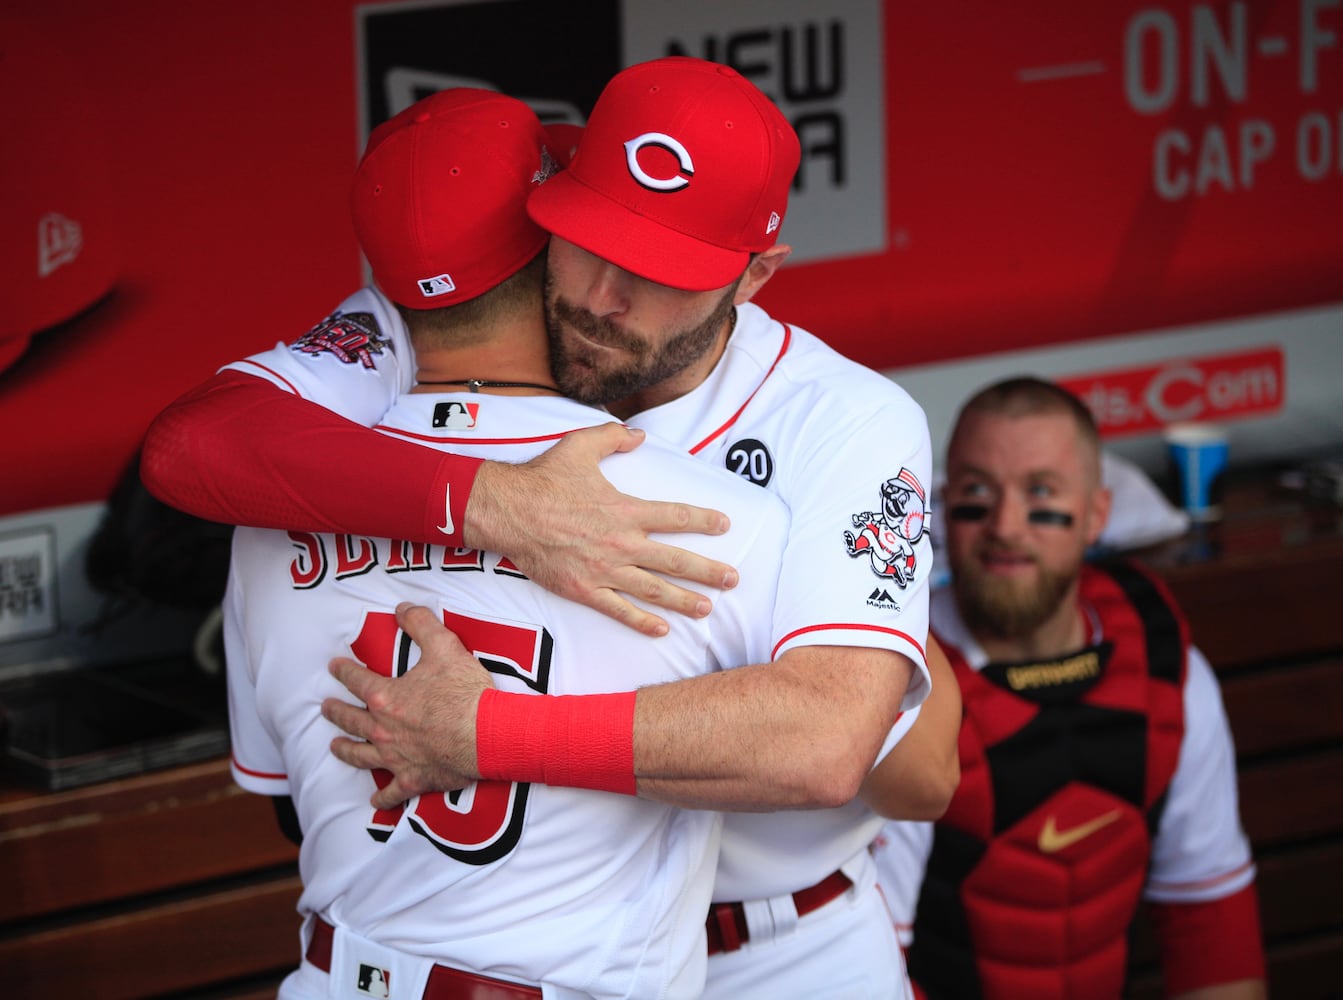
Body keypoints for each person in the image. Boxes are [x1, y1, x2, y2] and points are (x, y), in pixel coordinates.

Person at [146, 56, 951, 998]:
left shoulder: (840, 418)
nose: (605, 299)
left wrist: (495, 733)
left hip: (778, 945)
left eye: (661, 273)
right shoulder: (424, 328)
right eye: (587, 239)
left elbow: (902, 769)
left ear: (754, 277)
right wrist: (492, 502)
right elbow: (190, 447)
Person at [227, 86, 793, 999]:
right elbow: (843, 763)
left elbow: (291, 806)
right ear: (550, 245)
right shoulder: (710, 518)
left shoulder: (262, 522)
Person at [871, 376, 1267, 1000]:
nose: (1006, 525)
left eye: (1041, 494)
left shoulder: (1165, 671)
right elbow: (872, 969)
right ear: (943, 511)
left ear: (1096, 516)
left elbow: (1209, 917)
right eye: (977, 492)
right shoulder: (899, 681)